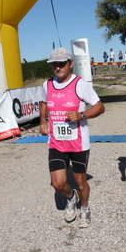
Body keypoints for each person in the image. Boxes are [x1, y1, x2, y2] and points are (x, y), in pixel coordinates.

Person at [39, 47, 105, 228]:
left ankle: (84, 209)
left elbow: (100, 107)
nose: (58, 67)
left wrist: (82, 115)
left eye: (61, 63)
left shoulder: (80, 84)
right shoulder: (48, 84)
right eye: (54, 64)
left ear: (70, 64)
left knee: (80, 182)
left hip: (78, 144)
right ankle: (71, 197)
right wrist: (43, 121)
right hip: (56, 143)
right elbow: (43, 102)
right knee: (58, 184)